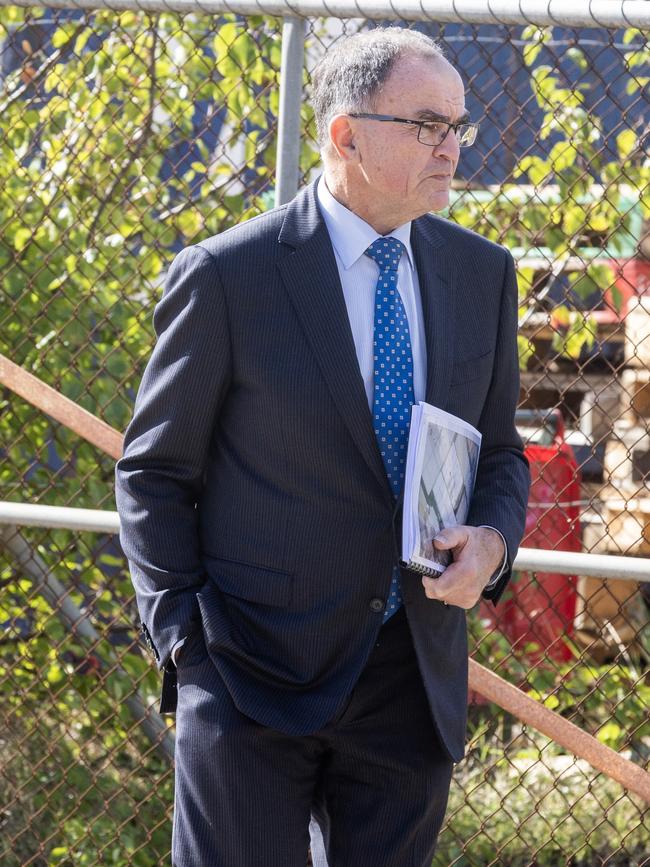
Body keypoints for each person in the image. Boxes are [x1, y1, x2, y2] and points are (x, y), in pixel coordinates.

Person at [115, 26, 530, 867]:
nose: (452, 147)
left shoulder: (482, 274)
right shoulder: (229, 275)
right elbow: (154, 473)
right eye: (427, 125)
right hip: (249, 673)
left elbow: (501, 454)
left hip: (410, 677)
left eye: (458, 125)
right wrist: (188, 647)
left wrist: (492, 542)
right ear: (344, 134)